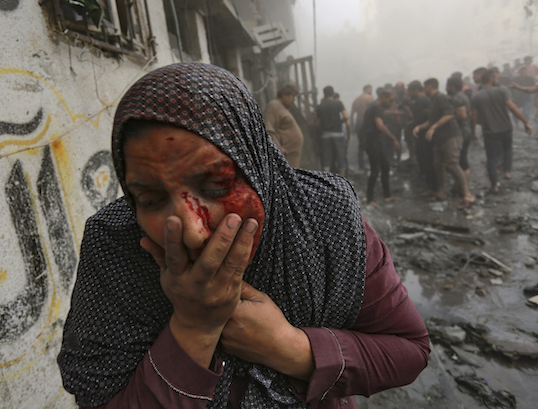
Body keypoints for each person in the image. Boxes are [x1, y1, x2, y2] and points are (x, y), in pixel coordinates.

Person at [57, 63, 430, 408]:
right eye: (152, 199)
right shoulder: (117, 246)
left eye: (217, 184)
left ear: (257, 165)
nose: (193, 230)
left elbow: (408, 349)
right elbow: (98, 397)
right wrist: (193, 327)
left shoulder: (324, 218)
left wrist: (290, 348)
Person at [412, 78, 474, 209]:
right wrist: (420, 127)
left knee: (452, 164)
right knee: (438, 164)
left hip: (451, 136)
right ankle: (441, 192)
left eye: (425, 87)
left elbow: (449, 115)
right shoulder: (433, 101)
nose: (424, 90)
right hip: (440, 139)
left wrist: (433, 128)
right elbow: (432, 120)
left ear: (430, 86)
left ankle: (467, 194)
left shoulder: (441, 98)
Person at [472, 70, 532, 193]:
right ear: (491, 79)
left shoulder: (477, 96)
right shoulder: (502, 90)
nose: (497, 80)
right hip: (505, 127)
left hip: (489, 130)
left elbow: (473, 117)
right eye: (496, 78)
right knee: (507, 149)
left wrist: (473, 133)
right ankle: (507, 172)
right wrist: (525, 122)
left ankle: (494, 185)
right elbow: (512, 107)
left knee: (491, 157)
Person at [363, 89, 401, 208]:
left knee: (385, 166)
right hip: (373, 142)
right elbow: (380, 125)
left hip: (376, 142)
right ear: (383, 97)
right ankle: (370, 199)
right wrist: (393, 138)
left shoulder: (373, 106)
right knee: (375, 170)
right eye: (390, 101)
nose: (391, 104)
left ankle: (387, 196)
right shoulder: (376, 108)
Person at [263, 82, 304, 167]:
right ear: (284, 95)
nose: (294, 99)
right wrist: (279, 148)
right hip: (285, 155)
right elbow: (269, 129)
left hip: (291, 156)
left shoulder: (282, 107)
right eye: (292, 96)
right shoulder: (274, 106)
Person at [408, 80, 438, 196]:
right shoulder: (425, 100)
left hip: (424, 135)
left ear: (414, 90)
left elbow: (420, 118)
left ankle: (432, 187)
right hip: (425, 134)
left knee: (426, 161)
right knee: (426, 160)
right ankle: (431, 186)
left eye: (410, 91)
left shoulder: (421, 101)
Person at [316, 86, 350, 176]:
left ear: (324, 94)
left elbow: (317, 123)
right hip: (338, 134)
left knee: (327, 160)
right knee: (341, 159)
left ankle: (326, 181)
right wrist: (339, 122)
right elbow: (346, 116)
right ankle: (343, 181)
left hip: (325, 135)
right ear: (333, 93)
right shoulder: (338, 103)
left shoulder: (320, 106)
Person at [447, 76, 472, 193]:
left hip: (462, 132)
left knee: (462, 161)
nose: (446, 88)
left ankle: (463, 189)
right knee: (460, 160)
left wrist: (447, 118)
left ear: (452, 87)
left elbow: (462, 115)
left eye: (447, 86)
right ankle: (459, 186)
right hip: (464, 131)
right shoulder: (462, 96)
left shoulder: (458, 98)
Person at [350, 85, 374, 170]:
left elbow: (352, 114)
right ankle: (371, 163)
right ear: (368, 89)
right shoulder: (370, 98)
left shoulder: (356, 100)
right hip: (366, 123)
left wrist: (352, 127)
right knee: (370, 143)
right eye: (371, 89)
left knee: (361, 144)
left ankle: (361, 164)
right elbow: (372, 111)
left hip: (358, 123)